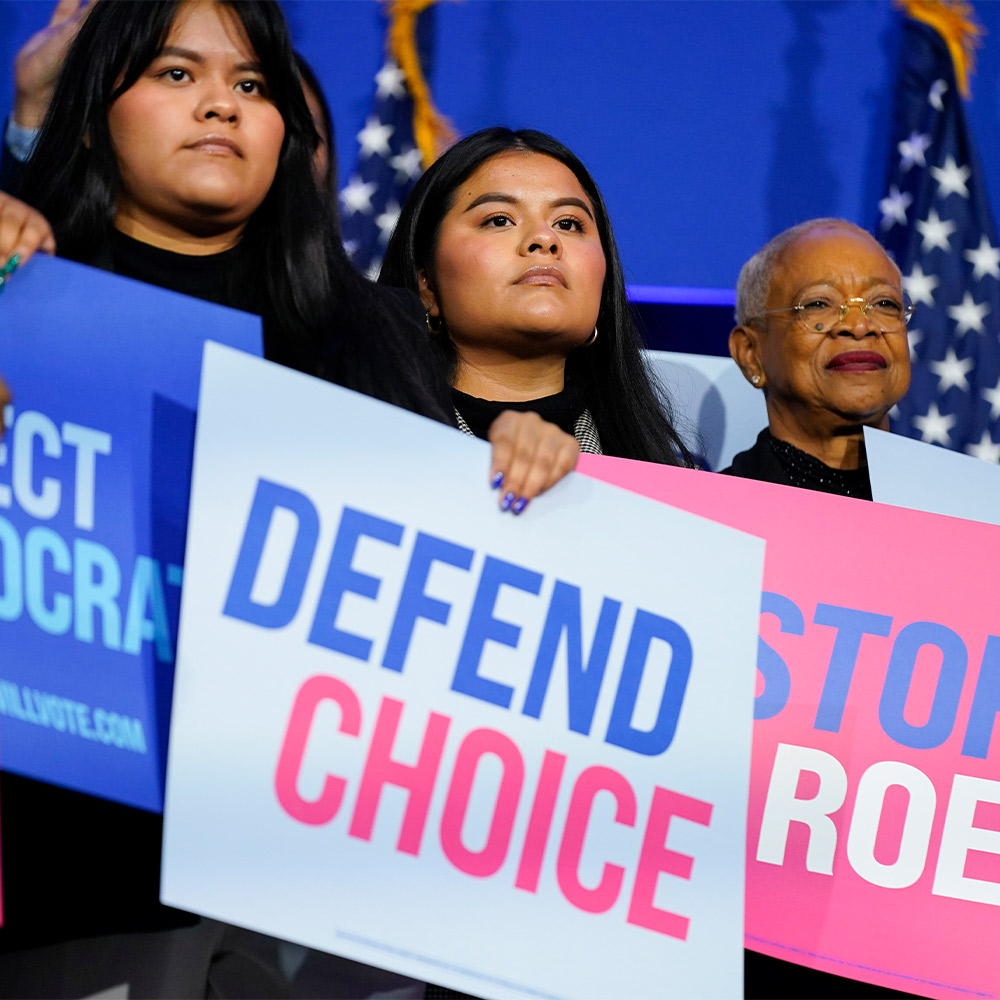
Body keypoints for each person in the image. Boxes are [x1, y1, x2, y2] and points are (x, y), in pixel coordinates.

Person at [379, 126, 695, 482]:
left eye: (569, 223)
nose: (545, 238)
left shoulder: (683, 487)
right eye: (499, 220)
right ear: (427, 283)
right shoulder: (363, 452)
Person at [723, 218, 912, 500]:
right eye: (818, 304)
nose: (860, 326)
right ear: (751, 353)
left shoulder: (970, 508)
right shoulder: (703, 523)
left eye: (884, 303)